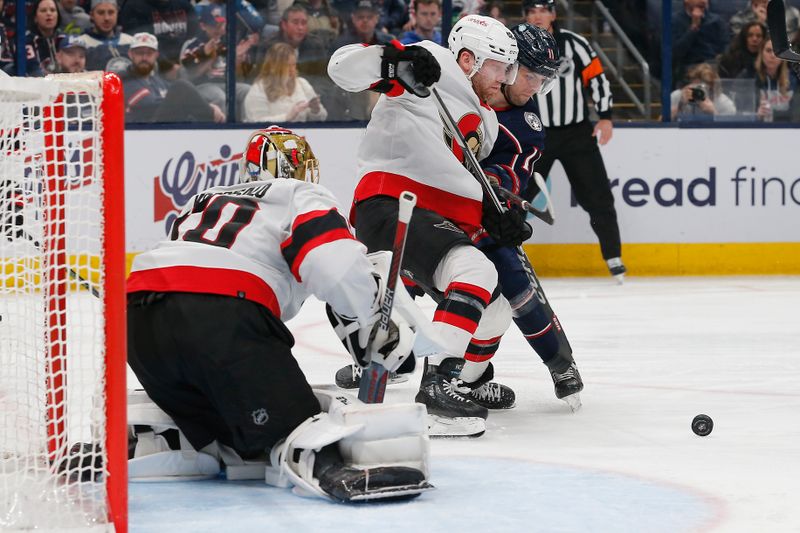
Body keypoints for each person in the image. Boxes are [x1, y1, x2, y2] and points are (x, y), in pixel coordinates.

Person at [126, 126, 431, 502]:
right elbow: (334, 263)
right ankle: (325, 466)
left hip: (139, 322)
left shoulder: (202, 199)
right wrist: (372, 316)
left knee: (233, 434)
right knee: (296, 425)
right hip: (221, 315)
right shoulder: (299, 193)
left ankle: (157, 438)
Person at [328, 15, 528, 437]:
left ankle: (464, 382)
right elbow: (342, 67)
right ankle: (435, 387)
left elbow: (458, 177)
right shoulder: (434, 65)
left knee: (494, 309)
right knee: (476, 271)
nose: (505, 78)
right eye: (499, 66)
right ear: (469, 59)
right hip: (392, 203)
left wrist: (491, 211)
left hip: (431, 216)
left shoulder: (487, 122)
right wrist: (395, 65)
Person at [480, 22, 583, 409]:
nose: (534, 87)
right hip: (436, 206)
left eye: (542, 80)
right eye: (529, 75)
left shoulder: (528, 124)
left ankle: (559, 362)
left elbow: (513, 172)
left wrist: (495, 194)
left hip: (484, 215)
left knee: (512, 283)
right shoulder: (463, 91)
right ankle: (373, 360)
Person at [525, 0, 626, 282]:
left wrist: (605, 115)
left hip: (576, 133)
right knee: (516, 194)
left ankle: (613, 256)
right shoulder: (516, 42)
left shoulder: (574, 43)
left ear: (554, 15)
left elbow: (597, 78)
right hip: (535, 132)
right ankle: (503, 252)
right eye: (532, 11)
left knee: (598, 196)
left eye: (543, 10)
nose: (537, 16)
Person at [122, 32, 225, 123]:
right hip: (142, 134)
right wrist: (208, 109)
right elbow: (150, 107)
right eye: (139, 53)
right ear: (131, 54)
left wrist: (206, 105)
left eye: (149, 53)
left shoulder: (156, 80)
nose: (144, 58)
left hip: (168, 132)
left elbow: (177, 101)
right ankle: (213, 118)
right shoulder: (125, 80)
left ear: (156, 55)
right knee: (181, 87)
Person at [180, 4, 250, 117]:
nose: (220, 29)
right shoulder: (194, 44)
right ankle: (220, 131)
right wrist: (206, 55)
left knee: (248, 90)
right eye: (215, 25)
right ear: (203, 25)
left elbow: (238, 74)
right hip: (201, 86)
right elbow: (189, 74)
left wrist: (237, 60)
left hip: (226, 83)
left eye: (222, 24)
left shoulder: (228, 42)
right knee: (219, 97)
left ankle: (245, 128)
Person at [242, 42, 327, 122]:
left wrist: (315, 110)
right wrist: (287, 117)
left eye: (293, 64)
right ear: (274, 67)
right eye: (286, 66)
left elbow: (322, 117)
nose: (291, 69)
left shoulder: (302, 83)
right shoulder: (259, 90)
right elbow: (256, 122)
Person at [119, 0, 199, 78]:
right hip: (153, 68)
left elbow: (194, 38)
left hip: (187, 63)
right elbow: (140, 44)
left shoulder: (185, 5)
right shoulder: (134, 6)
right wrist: (168, 66)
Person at [671, 0, 728, 83]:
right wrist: (693, 28)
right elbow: (676, 52)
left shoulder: (716, 21)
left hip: (713, 67)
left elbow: (725, 47)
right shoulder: (674, 21)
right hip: (687, 70)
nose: (703, 1)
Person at [748, 37, 800, 122]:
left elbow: (797, 114)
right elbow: (741, 111)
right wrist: (755, 115)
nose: (772, 55)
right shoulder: (750, 77)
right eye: (768, 51)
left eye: (777, 52)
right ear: (761, 53)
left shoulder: (794, 79)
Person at [79, 0, 135, 72]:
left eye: (111, 12)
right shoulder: (81, 44)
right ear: (92, 15)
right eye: (101, 13)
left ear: (117, 14)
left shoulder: (131, 41)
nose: (106, 18)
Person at [670, 62, 737, 121]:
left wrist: (713, 113)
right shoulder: (677, 96)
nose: (698, 92)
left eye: (703, 89)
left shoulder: (725, 104)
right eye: (695, 86)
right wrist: (680, 105)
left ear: (713, 89)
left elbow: (728, 133)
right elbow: (661, 123)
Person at [731, 0, 800, 41]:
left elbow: (787, 45)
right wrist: (759, 23)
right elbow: (742, 46)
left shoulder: (792, 14)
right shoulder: (738, 20)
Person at [25, 0, 63, 76]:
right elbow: (32, 71)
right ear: (35, 17)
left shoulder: (63, 40)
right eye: (43, 10)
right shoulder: (27, 41)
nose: (49, 13)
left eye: (52, 10)